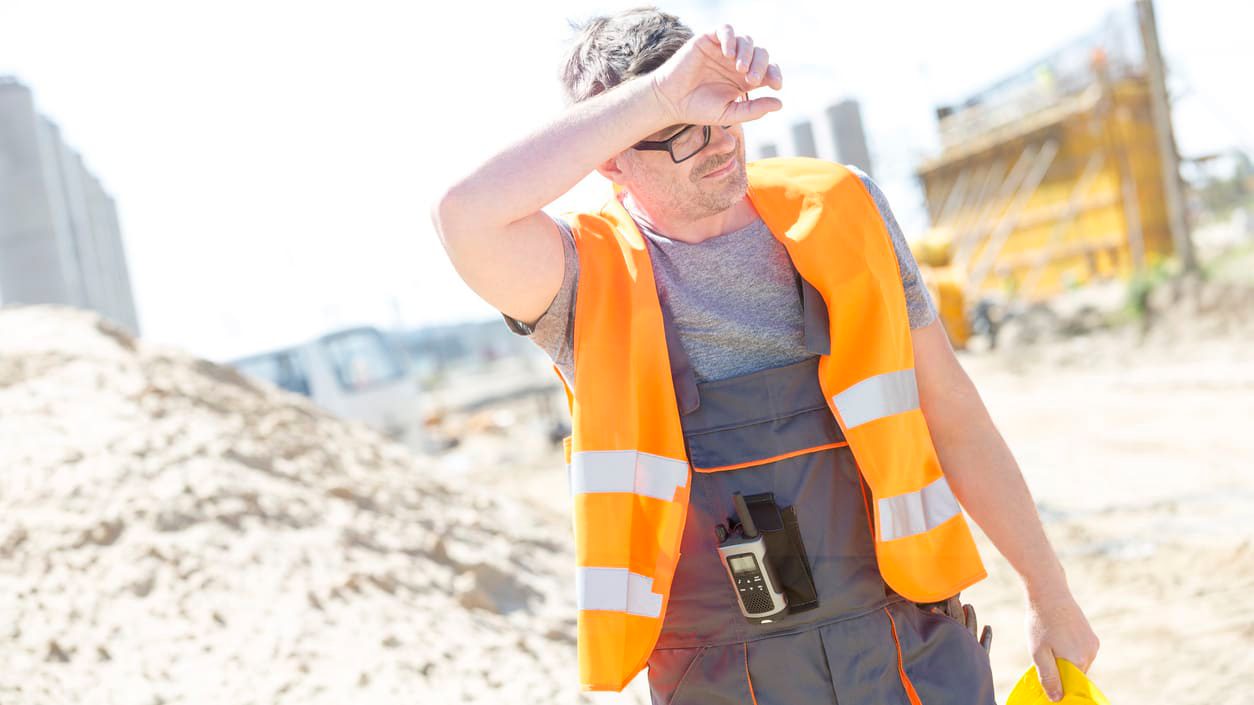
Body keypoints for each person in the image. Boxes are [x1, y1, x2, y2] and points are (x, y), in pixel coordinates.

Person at [432, 8, 1099, 703]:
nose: (718, 140)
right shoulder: (583, 276)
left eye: (721, 108)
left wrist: (1049, 593)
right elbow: (463, 215)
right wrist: (659, 94)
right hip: (721, 682)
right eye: (679, 128)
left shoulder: (843, 211)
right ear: (612, 156)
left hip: (908, 655)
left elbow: (953, 414)